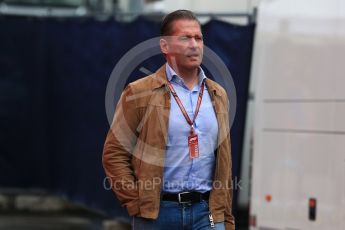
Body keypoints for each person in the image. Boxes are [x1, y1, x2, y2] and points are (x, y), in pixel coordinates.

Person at [103, 9, 235, 230]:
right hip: (159, 215)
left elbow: (224, 162)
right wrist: (136, 203)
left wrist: (225, 216)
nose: (194, 44)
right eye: (185, 38)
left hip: (207, 213)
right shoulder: (139, 92)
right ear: (165, 46)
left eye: (198, 38)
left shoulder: (217, 93)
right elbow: (114, 153)